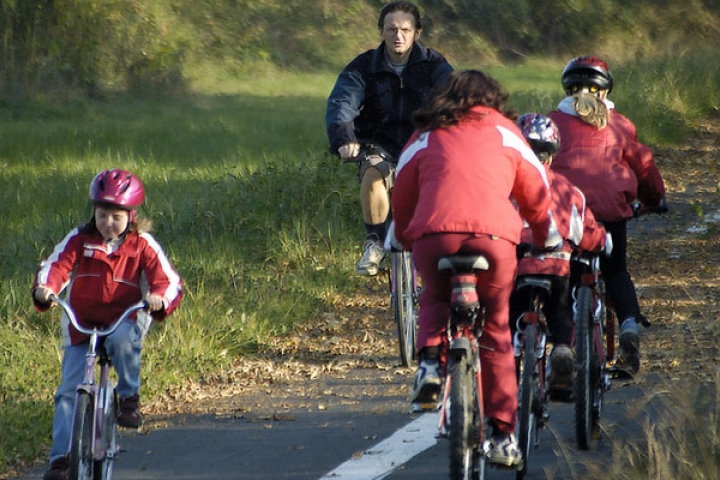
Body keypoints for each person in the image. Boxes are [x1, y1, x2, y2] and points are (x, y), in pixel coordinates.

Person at [392, 70, 561, 467]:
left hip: (437, 236)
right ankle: (503, 435)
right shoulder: (506, 131)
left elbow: (401, 187)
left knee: (434, 294)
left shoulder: (427, 134)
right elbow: (537, 189)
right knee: (497, 329)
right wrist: (545, 234)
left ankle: (431, 364)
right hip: (495, 239)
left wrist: (403, 234)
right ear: (492, 98)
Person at [33, 169, 183, 480]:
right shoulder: (79, 239)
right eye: (102, 215)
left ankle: (128, 397)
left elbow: (168, 282)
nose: (108, 222)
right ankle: (61, 461)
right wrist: (45, 290)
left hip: (122, 320)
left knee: (123, 341)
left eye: (116, 216)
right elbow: (55, 266)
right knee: (66, 394)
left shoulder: (143, 245)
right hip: (82, 326)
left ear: (132, 215)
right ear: (94, 213)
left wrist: (158, 299)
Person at [547, 56, 667, 374]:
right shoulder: (621, 125)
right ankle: (628, 324)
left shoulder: (552, 122)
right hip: (611, 211)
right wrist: (655, 199)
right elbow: (643, 165)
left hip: (565, 213)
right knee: (616, 272)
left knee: (567, 276)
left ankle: (565, 341)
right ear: (604, 91)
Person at [325, 1, 453, 276]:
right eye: (391, 29)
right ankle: (375, 243)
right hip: (379, 143)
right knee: (372, 174)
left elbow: (453, 98)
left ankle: (437, 245)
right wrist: (344, 138)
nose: (398, 35)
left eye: (405, 29)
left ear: (417, 33)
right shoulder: (363, 66)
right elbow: (342, 103)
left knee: (442, 186)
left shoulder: (434, 65)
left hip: (422, 144)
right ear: (381, 32)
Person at [510, 113, 607, 395]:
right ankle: (562, 349)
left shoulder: (505, 186)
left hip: (517, 265)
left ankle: (511, 356)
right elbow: (584, 234)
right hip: (556, 266)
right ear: (551, 156)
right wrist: (600, 240)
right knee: (560, 311)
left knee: (510, 313)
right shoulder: (567, 190)